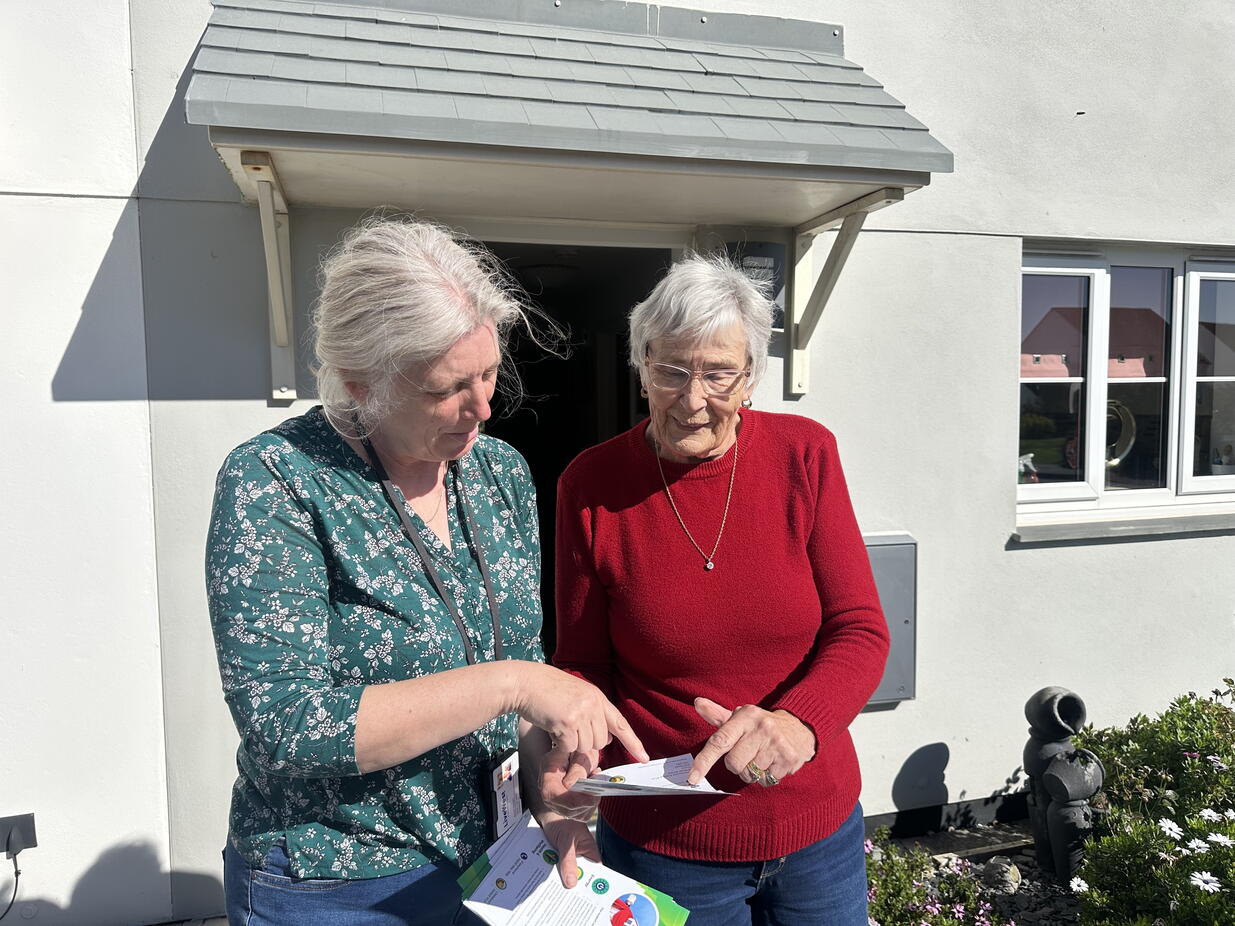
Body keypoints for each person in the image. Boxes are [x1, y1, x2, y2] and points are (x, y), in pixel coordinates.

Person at [205, 217, 645, 926]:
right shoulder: (277, 480)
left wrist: (551, 797)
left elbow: (520, 667)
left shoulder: (498, 471)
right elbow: (284, 724)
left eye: (489, 373)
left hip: (491, 859)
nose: (484, 406)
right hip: (339, 881)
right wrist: (512, 684)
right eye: (448, 387)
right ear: (361, 385)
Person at [550, 254, 891, 925]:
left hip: (817, 833)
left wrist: (799, 722)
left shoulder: (804, 455)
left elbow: (860, 627)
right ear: (642, 366)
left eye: (717, 374)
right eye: (672, 371)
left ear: (751, 376)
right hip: (664, 845)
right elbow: (583, 665)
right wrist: (574, 766)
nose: (692, 399)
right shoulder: (590, 485)